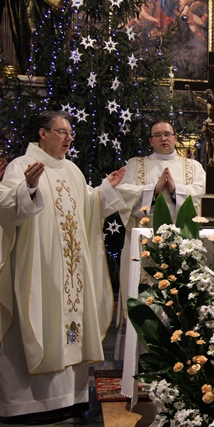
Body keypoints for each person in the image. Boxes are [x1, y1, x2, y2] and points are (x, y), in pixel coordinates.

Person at [0, 110, 126, 423]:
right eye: (62, 132)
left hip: (71, 273)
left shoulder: (71, 170)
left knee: (70, 327)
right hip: (38, 269)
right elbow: (6, 207)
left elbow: (88, 207)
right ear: (43, 133)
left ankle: (70, 399)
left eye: (70, 133)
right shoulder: (21, 165)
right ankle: (26, 405)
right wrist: (27, 188)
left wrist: (105, 190)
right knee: (40, 320)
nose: (69, 138)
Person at [115, 119, 206, 358]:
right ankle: (143, 356)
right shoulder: (136, 164)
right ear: (150, 140)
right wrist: (153, 190)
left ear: (175, 137)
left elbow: (202, 194)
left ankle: (182, 355)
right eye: (157, 135)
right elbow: (123, 193)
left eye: (167, 134)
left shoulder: (193, 166)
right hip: (144, 244)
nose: (163, 139)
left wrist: (176, 189)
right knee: (146, 295)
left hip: (181, 244)